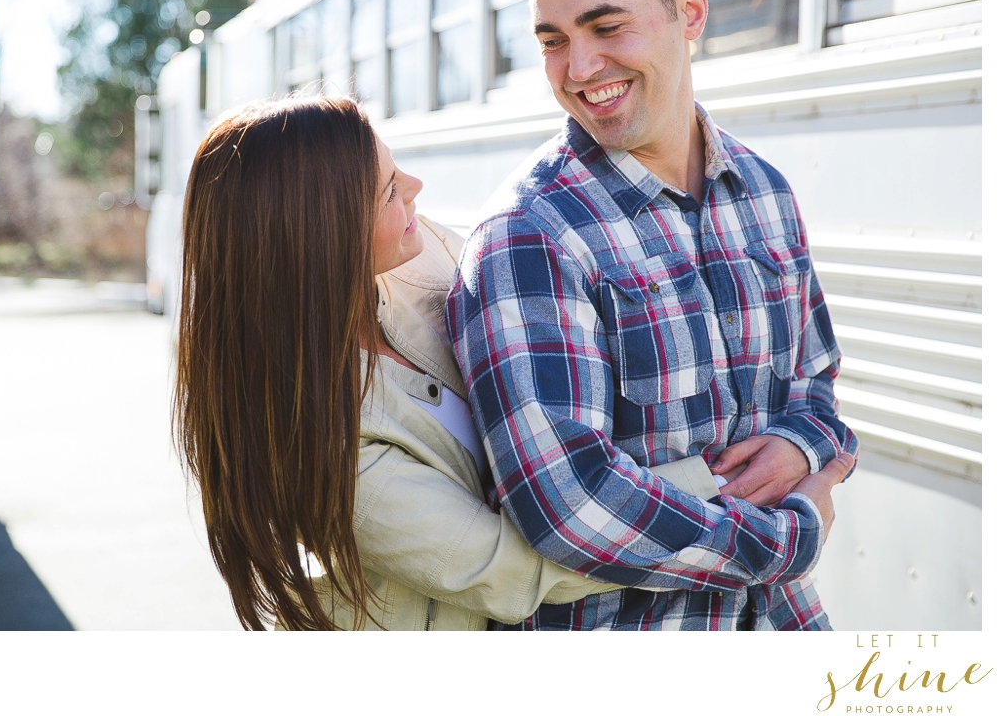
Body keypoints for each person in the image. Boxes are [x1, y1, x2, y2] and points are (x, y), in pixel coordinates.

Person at [446, 0, 859, 631]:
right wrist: (784, 539)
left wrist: (801, 447)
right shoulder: (529, 233)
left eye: (607, 28)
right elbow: (568, 502)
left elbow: (816, 384)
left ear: (689, 9)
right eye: (554, 41)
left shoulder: (764, 192)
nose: (578, 69)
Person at [172, 95, 725, 631]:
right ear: (322, 240)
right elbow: (511, 571)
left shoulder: (420, 255)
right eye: (390, 191)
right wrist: (715, 483)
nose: (415, 189)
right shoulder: (322, 446)